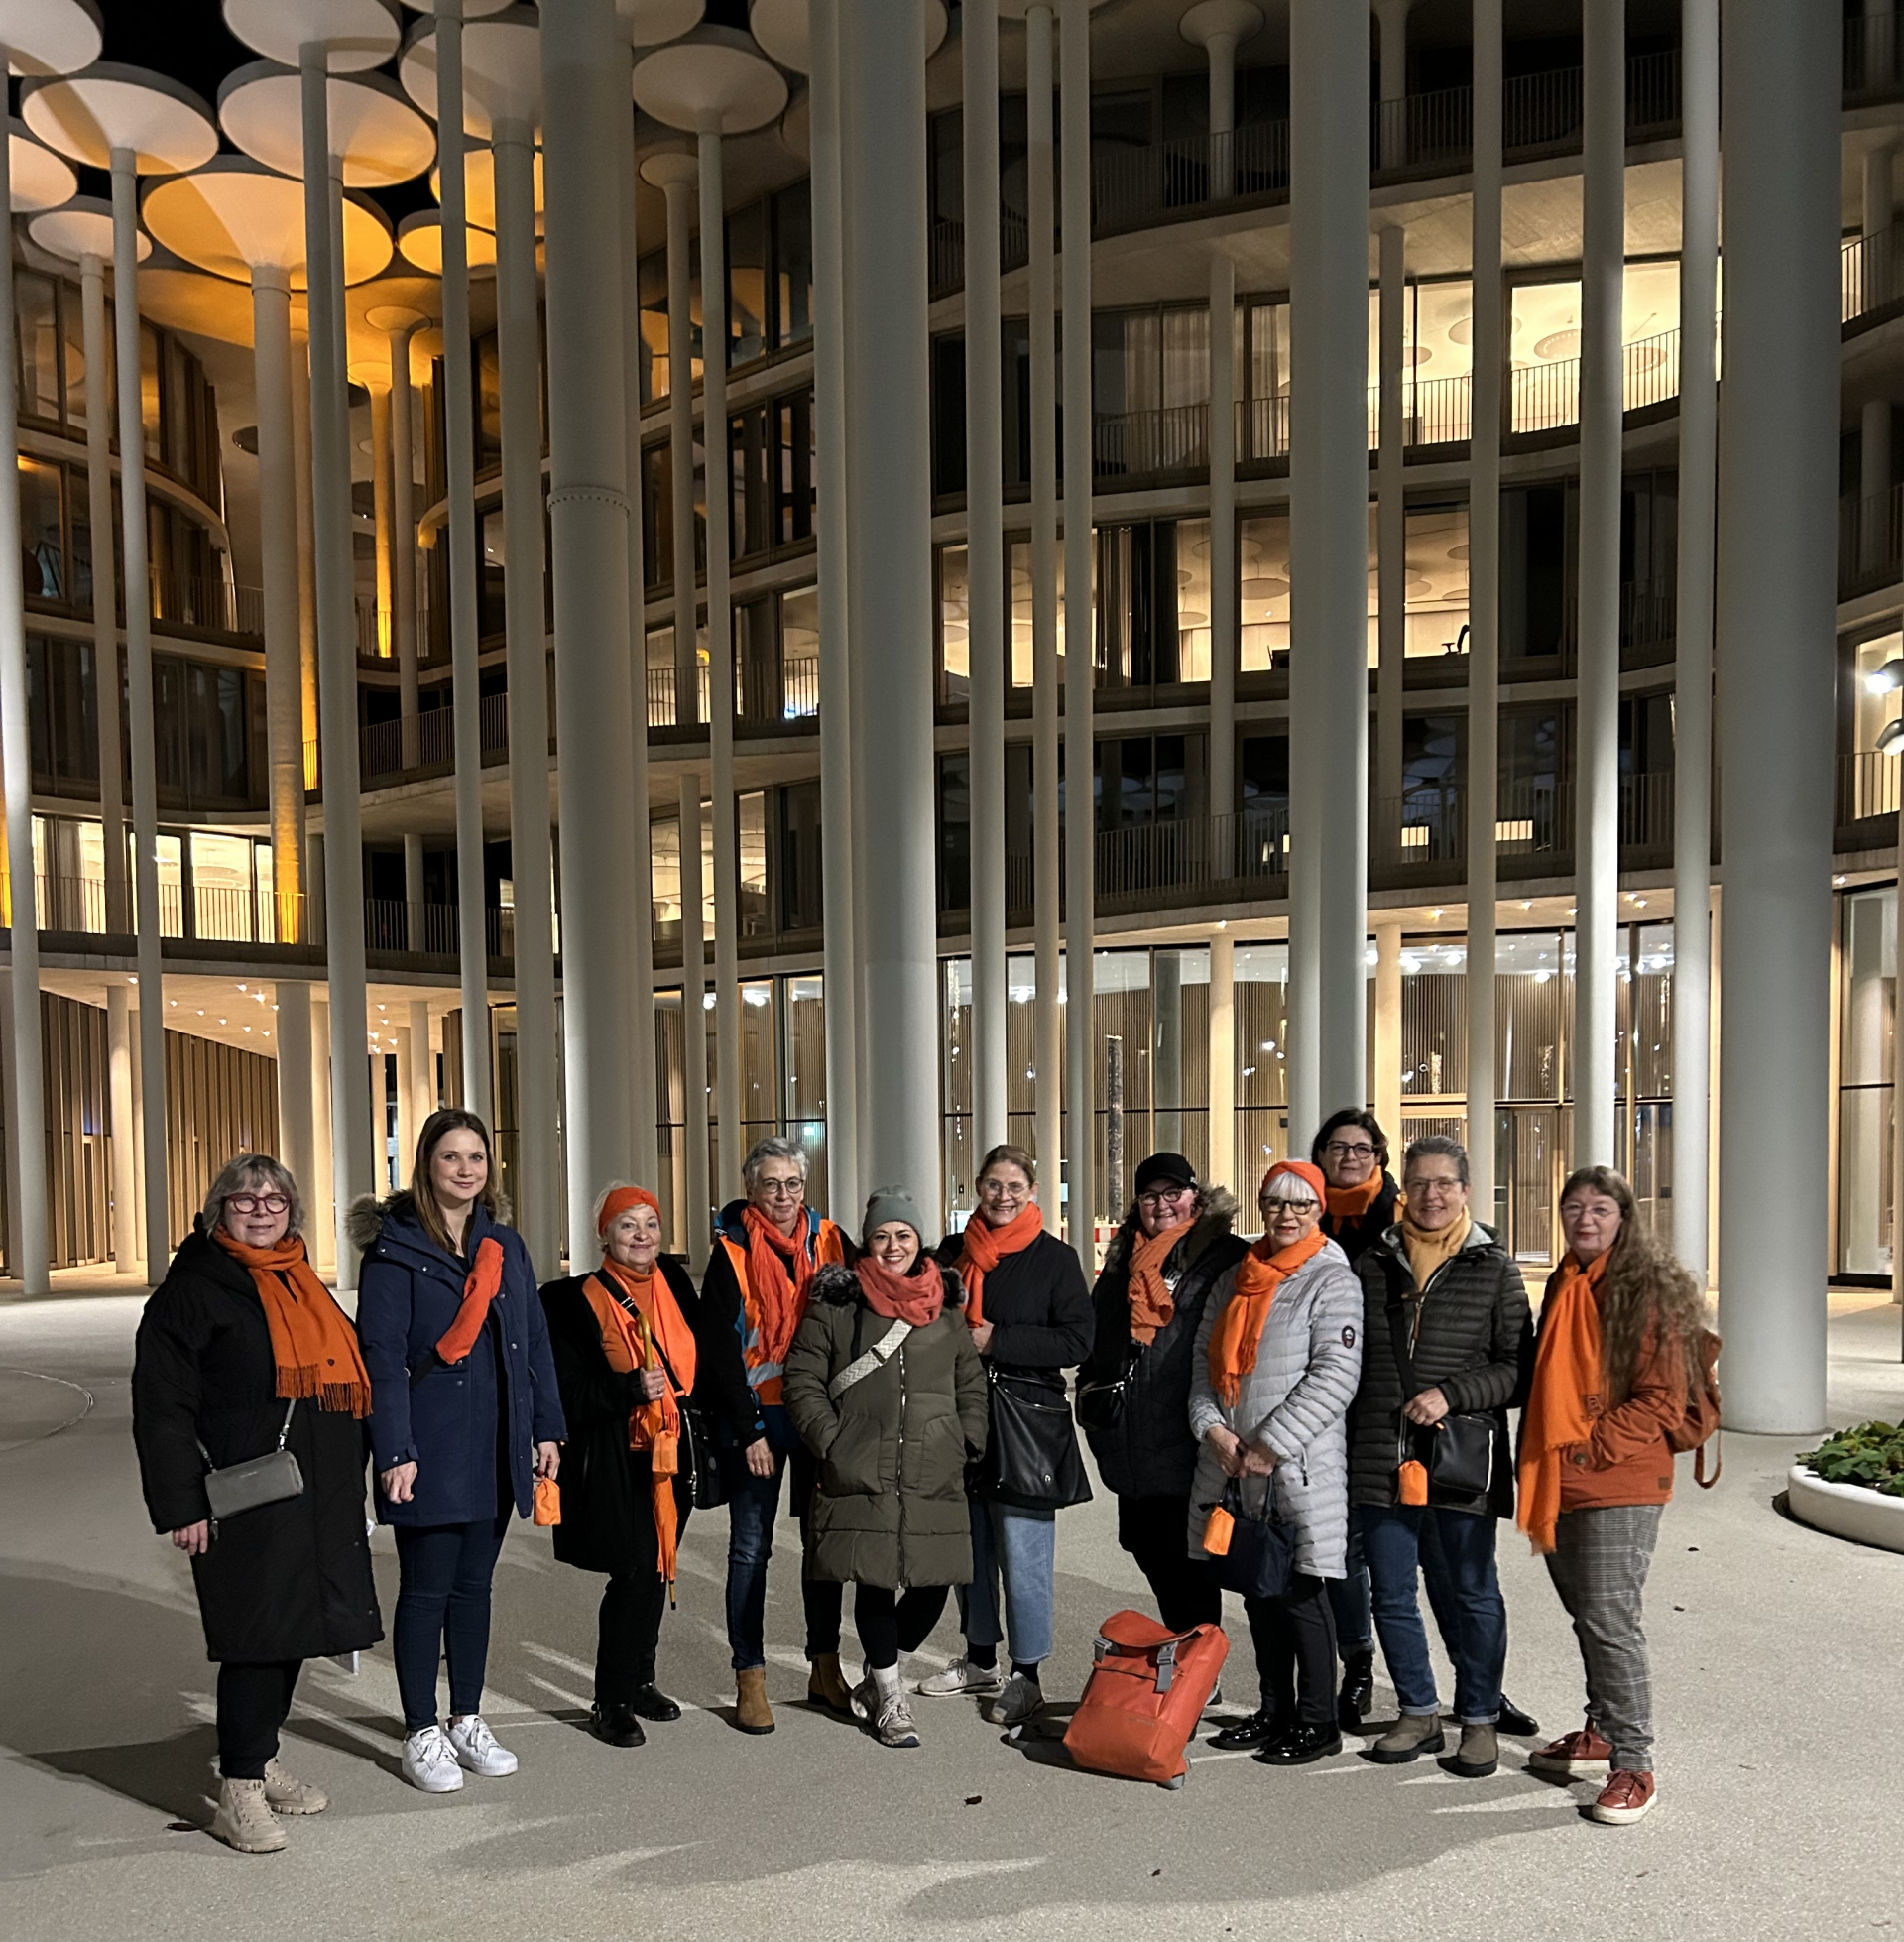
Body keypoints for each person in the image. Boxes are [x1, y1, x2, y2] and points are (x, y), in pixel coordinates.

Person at [133, 1155, 382, 1854]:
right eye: (245, 1199)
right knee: (256, 1636)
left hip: (318, 1490)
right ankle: (238, 1789)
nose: (262, 1211)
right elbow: (162, 1408)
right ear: (219, 1208)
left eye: (275, 1200)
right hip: (248, 1496)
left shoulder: (300, 1277)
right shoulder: (193, 1291)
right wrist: (182, 1504)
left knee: (297, 1629)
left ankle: (259, 1755)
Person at [1308, 1112, 1539, 1741]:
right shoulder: (1372, 1264)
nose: (1431, 1195)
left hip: (1459, 1453)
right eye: (1420, 1184)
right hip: (1379, 1453)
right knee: (1391, 1593)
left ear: (1465, 1190)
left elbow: (1518, 1370)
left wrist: (1451, 1395)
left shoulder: (1493, 1268)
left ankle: (1480, 1710)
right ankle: (1418, 1710)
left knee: (1469, 1588)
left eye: (1444, 1183)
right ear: (1403, 1189)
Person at [354, 1109, 565, 1794]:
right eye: (451, 1157)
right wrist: (395, 1450)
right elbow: (381, 1358)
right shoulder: (394, 1249)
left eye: (476, 1157)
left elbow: (534, 1341)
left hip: (496, 1439)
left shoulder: (503, 1244)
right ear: (427, 1164)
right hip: (430, 1440)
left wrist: (546, 1428)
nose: (466, 1169)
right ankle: (420, 1730)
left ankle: (466, 1717)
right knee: (426, 1589)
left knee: (475, 1588)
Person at [1517, 1165, 1706, 1826]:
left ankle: (1635, 1763)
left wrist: (1588, 1445)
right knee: (1588, 1614)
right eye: (1574, 1208)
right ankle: (1601, 1729)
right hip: (1562, 1477)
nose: (1585, 1219)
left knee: (1609, 1618)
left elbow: (1662, 1398)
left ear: (1624, 1218)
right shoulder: (1566, 1282)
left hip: (1619, 1478)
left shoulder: (1645, 1289)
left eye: (1600, 1209)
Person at [783, 1187, 989, 1749]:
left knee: (935, 1581)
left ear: (920, 1240)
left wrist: (966, 1439)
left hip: (933, 1465)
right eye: (881, 1235)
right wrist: (834, 1441)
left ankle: (879, 1676)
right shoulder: (837, 1306)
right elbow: (802, 1378)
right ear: (866, 1242)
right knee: (874, 1579)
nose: (893, 1246)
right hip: (860, 1465)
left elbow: (969, 1383)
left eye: (903, 1235)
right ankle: (891, 1694)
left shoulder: (945, 1309)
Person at [1187, 1161, 1364, 1766]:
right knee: (1257, 1589)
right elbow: (1204, 1365)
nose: (1287, 1215)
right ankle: (1274, 1709)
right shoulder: (1236, 1278)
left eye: (1300, 1204)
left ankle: (1317, 1721)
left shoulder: (1332, 1279)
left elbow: (1334, 1376)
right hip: (1234, 1464)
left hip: (1296, 1464)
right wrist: (1212, 1429)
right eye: (1275, 1203)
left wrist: (1270, 1445)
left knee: (1300, 1592)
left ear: (1318, 1211)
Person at [921, 1144, 1094, 1728]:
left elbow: (1077, 1341)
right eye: (993, 1185)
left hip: (1024, 1422)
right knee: (970, 1551)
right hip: (960, 1419)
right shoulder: (951, 1253)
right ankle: (979, 1660)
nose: (1003, 1196)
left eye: (1015, 1186)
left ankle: (1027, 1675)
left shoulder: (1056, 1259)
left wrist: (998, 1340)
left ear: (1033, 1191)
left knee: (1024, 1555)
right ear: (977, 1186)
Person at [696, 1134, 850, 1732]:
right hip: (755, 1423)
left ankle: (824, 1666)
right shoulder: (731, 1252)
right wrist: (749, 1430)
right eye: (771, 1185)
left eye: (793, 1183)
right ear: (750, 1190)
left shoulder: (831, 1240)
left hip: (817, 1418)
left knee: (823, 1547)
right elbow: (719, 1352)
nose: (784, 1195)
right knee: (749, 1550)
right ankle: (750, 1676)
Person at [539, 1185, 702, 1749]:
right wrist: (629, 1387)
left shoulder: (674, 1281)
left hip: (673, 1449)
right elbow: (567, 1392)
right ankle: (610, 1700)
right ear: (604, 1235)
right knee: (633, 1571)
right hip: (618, 1454)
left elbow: (702, 1358)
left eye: (650, 1223)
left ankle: (640, 1680)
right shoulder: (572, 1299)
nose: (641, 1235)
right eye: (627, 1224)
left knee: (658, 1567)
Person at [1079, 1152, 1245, 1635]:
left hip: (1188, 1439)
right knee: (1149, 1552)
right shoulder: (1122, 1263)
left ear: (1195, 1196)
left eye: (1174, 1193)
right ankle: (1190, 1653)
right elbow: (1098, 1337)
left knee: (1189, 1566)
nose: (1163, 1205)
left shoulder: (1222, 1257)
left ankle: (1199, 1660)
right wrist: (1091, 1392)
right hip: (1130, 1442)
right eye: (1151, 1196)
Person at [1310, 1108, 1395, 1731]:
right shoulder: (1306, 1220)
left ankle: (1474, 1690)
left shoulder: (1400, 1219)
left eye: (1361, 1148)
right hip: (1321, 1401)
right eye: (1337, 1147)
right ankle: (1356, 1659)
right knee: (1338, 1541)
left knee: (1409, 1549)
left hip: (1385, 1402)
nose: (1348, 1157)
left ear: (1379, 1157)